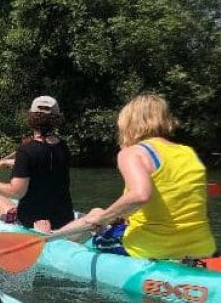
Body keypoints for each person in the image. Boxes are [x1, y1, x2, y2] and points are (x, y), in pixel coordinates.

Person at [57, 94, 216, 260]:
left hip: (151, 249)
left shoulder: (133, 153)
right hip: (202, 249)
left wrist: (104, 218)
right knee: (100, 213)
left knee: (96, 217)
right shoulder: (188, 153)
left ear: (128, 123)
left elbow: (140, 195)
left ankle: (54, 246)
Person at [0, 95, 74, 232]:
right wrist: (5, 162)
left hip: (31, 222)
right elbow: (41, 164)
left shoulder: (26, 151)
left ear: (32, 118)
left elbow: (16, 192)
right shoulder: (63, 147)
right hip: (64, 221)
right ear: (57, 119)